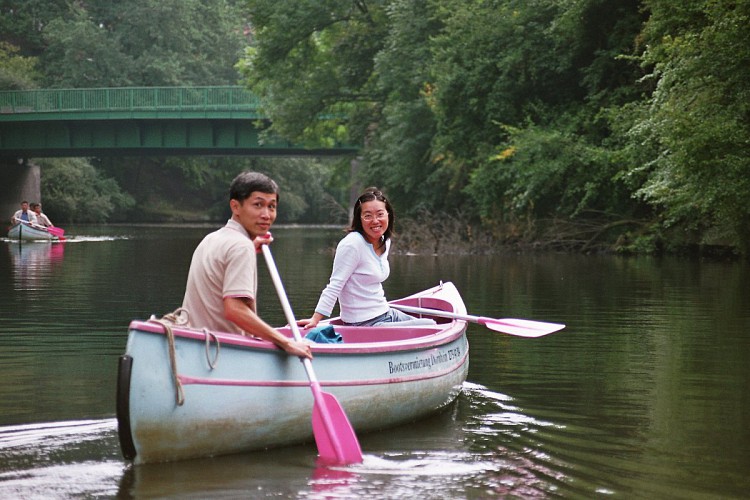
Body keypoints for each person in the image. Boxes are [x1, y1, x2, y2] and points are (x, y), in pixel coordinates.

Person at [181, 171, 312, 359]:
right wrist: (287, 343)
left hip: (194, 346)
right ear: (235, 206)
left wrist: (251, 247)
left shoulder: (213, 239)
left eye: (272, 207)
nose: (266, 215)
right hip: (221, 353)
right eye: (258, 205)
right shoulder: (241, 247)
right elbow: (234, 309)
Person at [299, 187, 435, 328]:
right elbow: (335, 285)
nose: (375, 221)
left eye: (380, 214)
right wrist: (315, 319)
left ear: (388, 215)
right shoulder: (352, 244)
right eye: (368, 215)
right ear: (360, 219)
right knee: (429, 327)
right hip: (364, 324)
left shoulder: (384, 240)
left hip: (386, 313)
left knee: (433, 323)